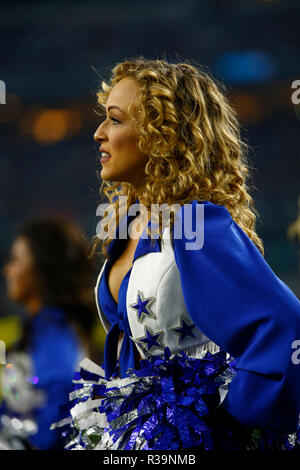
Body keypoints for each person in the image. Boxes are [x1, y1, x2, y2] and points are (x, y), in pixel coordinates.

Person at [55, 56, 300, 450]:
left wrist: (225, 419)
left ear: (162, 135)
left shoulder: (196, 223)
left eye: (116, 120)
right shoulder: (127, 226)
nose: (99, 132)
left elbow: (285, 323)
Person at [0, 217, 99, 449]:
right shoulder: (42, 327)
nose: (7, 269)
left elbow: (61, 402)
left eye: (15, 260)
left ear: (41, 268)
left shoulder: (57, 333)